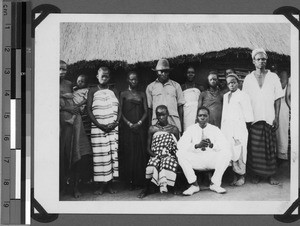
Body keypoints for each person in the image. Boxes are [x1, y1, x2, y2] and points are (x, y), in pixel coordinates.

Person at [242, 48, 283, 185]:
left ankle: (271, 175)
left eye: (263, 59)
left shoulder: (273, 77)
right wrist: (247, 118)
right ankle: (257, 175)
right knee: (255, 149)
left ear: (266, 61)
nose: (261, 61)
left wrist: (276, 117)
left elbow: (278, 99)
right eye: (258, 59)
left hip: (269, 117)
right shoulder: (248, 79)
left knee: (270, 148)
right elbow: (245, 100)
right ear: (253, 61)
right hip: (254, 119)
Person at [177, 106, 231, 195]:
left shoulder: (215, 129)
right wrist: (196, 146)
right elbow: (180, 145)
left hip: (211, 158)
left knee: (227, 153)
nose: (202, 117)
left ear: (208, 117)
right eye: (200, 115)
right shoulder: (191, 129)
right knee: (180, 153)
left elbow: (225, 145)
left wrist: (212, 145)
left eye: (205, 116)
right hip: (197, 159)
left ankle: (215, 184)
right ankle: (194, 185)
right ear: (197, 117)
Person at [87, 66, 121, 195]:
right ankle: (101, 185)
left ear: (109, 77)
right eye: (102, 76)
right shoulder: (92, 90)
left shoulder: (114, 90)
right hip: (98, 129)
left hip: (112, 129)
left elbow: (120, 109)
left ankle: (110, 184)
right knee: (101, 156)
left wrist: (116, 123)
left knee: (112, 155)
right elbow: (89, 110)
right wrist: (99, 125)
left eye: (107, 76)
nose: (104, 78)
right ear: (97, 76)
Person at [138, 105, 180, 198]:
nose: (161, 117)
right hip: (156, 154)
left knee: (169, 161)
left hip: (169, 154)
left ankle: (173, 187)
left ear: (168, 114)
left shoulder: (174, 129)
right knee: (153, 163)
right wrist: (155, 155)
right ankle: (146, 189)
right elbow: (148, 148)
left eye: (163, 115)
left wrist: (170, 155)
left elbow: (178, 147)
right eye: (158, 115)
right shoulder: (152, 128)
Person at [221, 73, 254, 186]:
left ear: (238, 83)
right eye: (229, 83)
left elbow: (248, 115)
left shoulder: (243, 95)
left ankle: (242, 176)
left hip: (239, 127)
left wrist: (242, 130)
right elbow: (225, 114)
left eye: (233, 82)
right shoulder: (226, 96)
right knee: (230, 151)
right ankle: (234, 176)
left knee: (239, 151)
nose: (231, 84)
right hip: (228, 128)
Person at [119, 71, 148, 189]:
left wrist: (139, 123)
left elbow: (146, 111)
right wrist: (129, 124)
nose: (134, 81)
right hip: (127, 128)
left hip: (140, 128)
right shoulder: (123, 94)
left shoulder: (142, 94)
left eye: (136, 79)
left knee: (140, 154)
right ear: (127, 80)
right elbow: (119, 112)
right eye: (131, 79)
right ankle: (129, 182)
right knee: (128, 153)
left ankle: (139, 181)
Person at [146, 59, 185, 133]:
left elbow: (180, 106)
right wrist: (150, 126)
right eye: (161, 71)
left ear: (169, 72)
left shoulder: (176, 86)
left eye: (166, 71)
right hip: (157, 122)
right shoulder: (150, 87)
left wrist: (181, 125)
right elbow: (149, 108)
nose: (164, 73)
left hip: (173, 121)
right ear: (157, 72)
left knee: (175, 143)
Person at [181, 66, 202, 131]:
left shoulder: (199, 87)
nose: (190, 74)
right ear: (185, 74)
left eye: (192, 72)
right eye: (188, 72)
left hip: (196, 112)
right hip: (186, 114)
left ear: (195, 74)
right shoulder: (182, 87)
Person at [276, 71, 290, 161]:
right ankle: (277, 153)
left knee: (282, 131)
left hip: (283, 106)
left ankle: (282, 154)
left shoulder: (284, 75)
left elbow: (282, 85)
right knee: (277, 131)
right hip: (276, 106)